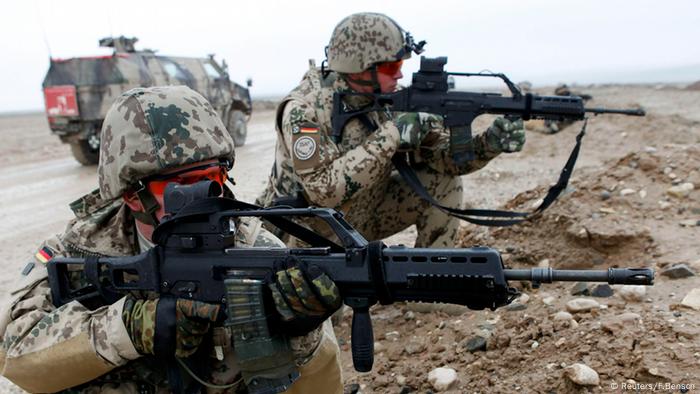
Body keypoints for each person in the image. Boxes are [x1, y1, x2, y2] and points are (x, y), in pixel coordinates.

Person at [0, 86, 343, 393]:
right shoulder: (77, 249)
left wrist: (303, 336)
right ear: (132, 195)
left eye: (213, 176)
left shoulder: (256, 250)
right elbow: (15, 358)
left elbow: (324, 388)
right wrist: (127, 329)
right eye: (182, 185)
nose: (209, 194)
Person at [257, 12, 526, 247]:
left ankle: (430, 287)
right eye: (391, 66)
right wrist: (392, 135)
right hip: (309, 235)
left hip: (366, 217)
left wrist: (489, 143)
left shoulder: (389, 99)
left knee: (443, 183)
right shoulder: (304, 109)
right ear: (359, 66)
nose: (399, 74)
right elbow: (322, 193)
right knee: (327, 305)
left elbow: (445, 161)